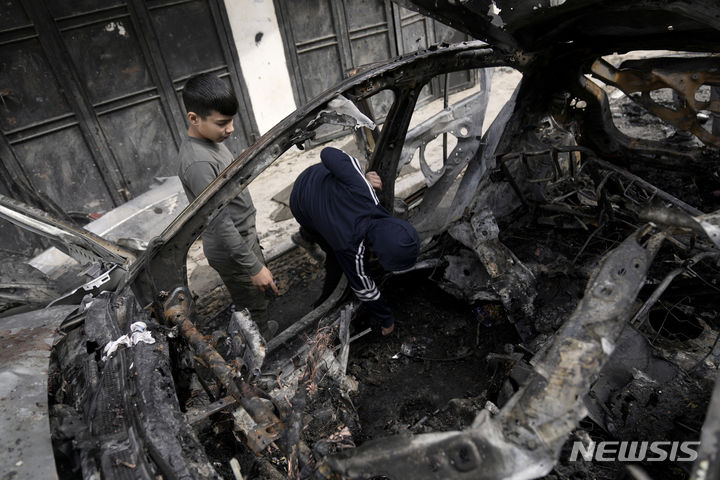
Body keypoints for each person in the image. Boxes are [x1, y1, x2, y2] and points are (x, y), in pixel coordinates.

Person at [177, 73, 279, 338]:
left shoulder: (212, 142)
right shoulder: (198, 163)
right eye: (222, 123)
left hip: (242, 240)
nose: (231, 129)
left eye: (231, 120)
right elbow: (220, 223)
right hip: (232, 248)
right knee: (253, 309)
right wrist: (253, 267)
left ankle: (263, 330)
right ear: (194, 118)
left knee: (258, 298)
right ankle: (263, 356)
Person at [290, 146, 420, 335]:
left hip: (312, 180)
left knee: (324, 221)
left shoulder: (364, 190)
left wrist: (359, 175)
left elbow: (328, 154)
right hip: (300, 203)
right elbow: (364, 288)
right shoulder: (349, 249)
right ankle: (320, 302)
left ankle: (306, 236)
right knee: (333, 255)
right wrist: (386, 320)